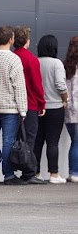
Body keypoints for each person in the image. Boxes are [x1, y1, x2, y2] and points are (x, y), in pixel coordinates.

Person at [0, 25, 27, 184]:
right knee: (8, 141)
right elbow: (19, 87)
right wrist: (23, 110)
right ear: (11, 39)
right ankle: (8, 174)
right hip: (9, 108)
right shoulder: (14, 59)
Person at [12, 26, 46, 184]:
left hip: (12, 106)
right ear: (27, 40)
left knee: (15, 139)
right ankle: (28, 172)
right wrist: (42, 103)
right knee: (29, 139)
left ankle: (13, 170)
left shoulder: (12, 57)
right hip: (30, 104)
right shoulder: (31, 59)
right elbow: (36, 85)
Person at [33, 35, 68, 184]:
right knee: (53, 142)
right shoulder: (56, 63)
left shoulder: (35, 62)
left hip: (38, 107)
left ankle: (36, 173)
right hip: (55, 107)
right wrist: (65, 99)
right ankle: (54, 174)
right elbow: (60, 84)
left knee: (37, 141)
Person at [64, 37, 78, 183]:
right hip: (77, 110)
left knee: (74, 141)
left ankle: (72, 172)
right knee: (76, 142)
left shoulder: (66, 66)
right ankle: (74, 172)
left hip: (67, 111)